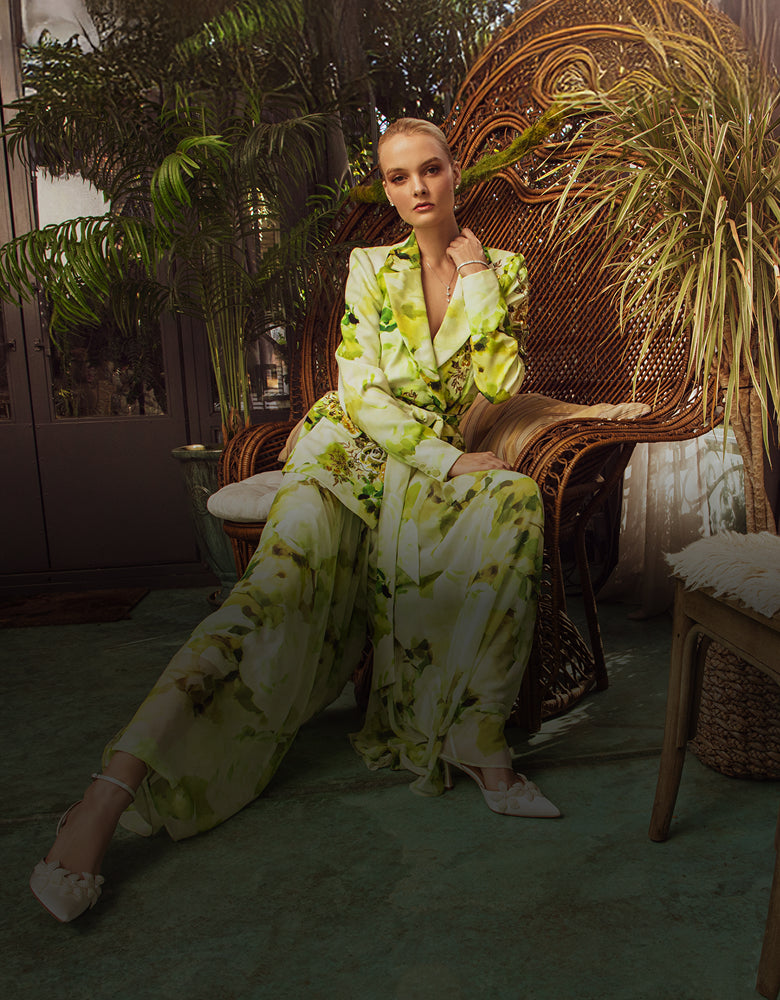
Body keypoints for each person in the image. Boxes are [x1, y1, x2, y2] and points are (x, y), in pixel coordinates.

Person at [29, 118, 559, 924]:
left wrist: (477, 271)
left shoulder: (506, 270)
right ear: (385, 188)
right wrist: (447, 460)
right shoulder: (369, 270)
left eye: (430, 170)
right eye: (397, 176)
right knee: (266, 600)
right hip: (351, 455)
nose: (416, 188)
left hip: (414, 482)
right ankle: (108, 795)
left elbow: (501, 374)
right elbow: (363, 398)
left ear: (455, 175)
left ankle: (477, 737)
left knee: (516, 501)